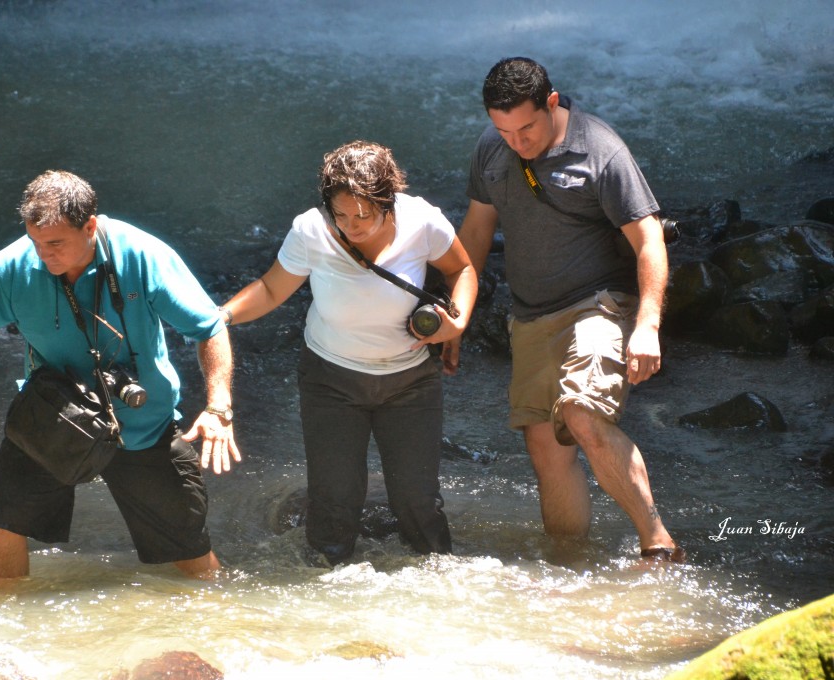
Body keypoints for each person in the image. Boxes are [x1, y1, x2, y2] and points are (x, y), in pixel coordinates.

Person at [0, 170, 241, 580]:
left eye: (55, 244)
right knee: (0, 530)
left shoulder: (143, 256)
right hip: (55, 417)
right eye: (35, 242)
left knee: (192, 556)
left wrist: (218, 407)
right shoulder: (11, 267)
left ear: (90, 226)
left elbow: (209, 328)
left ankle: (219, 633)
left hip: (143, 422)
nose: (44, 255)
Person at [451, 57, 684, 562]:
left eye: (526, 127)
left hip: (599, 303)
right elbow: (474, 233)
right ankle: (569, 564)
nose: (517, 141)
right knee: (547, 450)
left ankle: (658, 542)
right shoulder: (492, 150)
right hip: (531, 316)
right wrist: (454, 318)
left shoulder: (601, 150)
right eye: (503, 129)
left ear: (552, 103)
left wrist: (647, 324)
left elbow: (649, 241)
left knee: (581, 411)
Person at [221, 141, 477, 564]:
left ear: (387, 201)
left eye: (363, 216)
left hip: (410, 383)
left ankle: (438, 586)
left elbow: (461, 269)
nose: (352, 227)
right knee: (333, 501)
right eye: (341, 215)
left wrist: (459, 321)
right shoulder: (311, 230)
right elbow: (270, 289)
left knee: (418, 501)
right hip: (331, 381)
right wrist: (220, 317)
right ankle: (324, 587)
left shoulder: (423, 222)